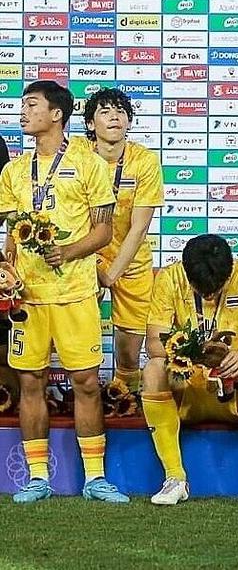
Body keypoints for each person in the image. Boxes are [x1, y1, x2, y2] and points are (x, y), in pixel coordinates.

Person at [2, 81, 128, 503]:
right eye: (22, 106)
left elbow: (104, 231)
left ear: (57, 114)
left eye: (31, 105)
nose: (23, 113)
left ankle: (95, 478)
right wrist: (6, 269)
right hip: (28, 297)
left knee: (87, 382)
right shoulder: (13, 171)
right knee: (30, 381)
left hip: (76, 292)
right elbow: (11, 234)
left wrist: (68, 251)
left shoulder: (89, 164)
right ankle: (38, 478)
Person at [140, 235, 238, 507]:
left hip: (234, 386)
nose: (208, 296)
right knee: (153, 369)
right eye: (201, 290)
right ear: (186, 273)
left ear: (229, 272)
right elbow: (153, 345)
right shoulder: (169, 278)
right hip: (188, 388)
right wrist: (193, 353)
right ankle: (174, 478)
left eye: (216, 289)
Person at [83, 87, 163, 402]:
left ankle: (124, 400)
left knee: (130, 351)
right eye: (105, 111)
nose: (114, 117)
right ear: (90, 124)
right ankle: (86, 399)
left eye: (120, 111)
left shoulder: (144, 161)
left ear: (129, 121)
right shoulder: (76, 155)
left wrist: (111, 274)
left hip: (131, 261)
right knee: (78, 339)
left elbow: (140, 227)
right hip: (84, 256)